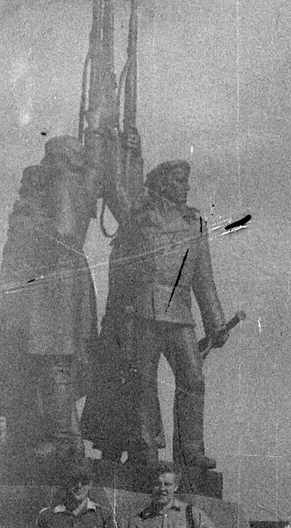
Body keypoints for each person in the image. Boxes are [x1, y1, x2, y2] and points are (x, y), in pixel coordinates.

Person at [83, 158, 229, 471]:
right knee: (142, 384)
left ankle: (191, 453)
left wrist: (215, 322)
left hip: (179, 314)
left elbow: (204, 277)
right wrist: (125, 151)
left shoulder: (195, 223)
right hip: (143, 312)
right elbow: (117, 190)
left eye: (186, 181)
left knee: (193, 379)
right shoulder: (140, 216)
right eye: (178, 181)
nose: (185, 187)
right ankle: (144, 448)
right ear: (162, 183)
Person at [0, 136, 100, 460]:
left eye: (51, 158)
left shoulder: (64, 183)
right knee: (38, 366)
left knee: (54, 365)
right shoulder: (64, 186)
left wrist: (32, 227)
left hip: (53, 290)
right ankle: (47, 439)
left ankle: (65, 441)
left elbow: (64, 232)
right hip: (44, 291)